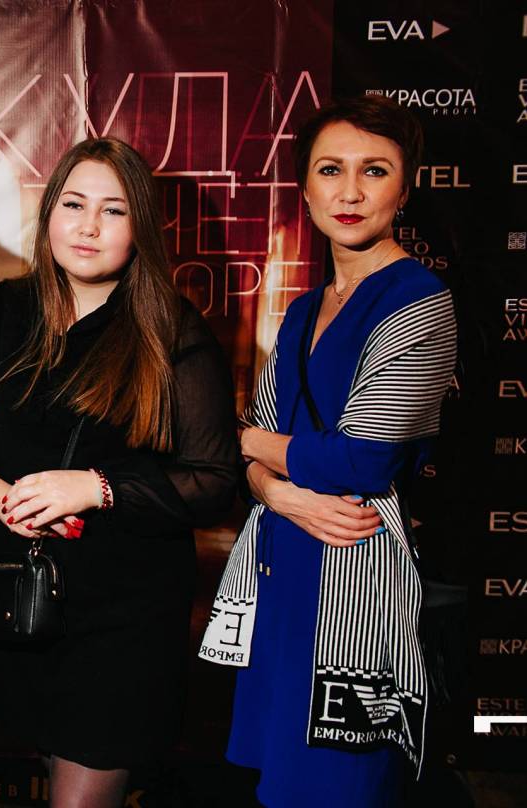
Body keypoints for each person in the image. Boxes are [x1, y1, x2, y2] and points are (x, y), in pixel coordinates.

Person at [200, 95, 458, 807]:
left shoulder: (419, 299)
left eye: (373, 171)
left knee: (341, 784)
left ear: (404, 189)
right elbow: (256, 456)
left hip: (356, 578)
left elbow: (360, 461)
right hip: (280, 569)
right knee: (280, 781)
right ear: (305, 188)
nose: (349, 192)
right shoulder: (303, 309)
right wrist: (275, 489)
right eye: (329, 169)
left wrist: (249, 444)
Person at [0, 137, 239, 807]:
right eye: (73, 204)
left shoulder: (170, 330)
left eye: (113, 210)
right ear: (48, 214)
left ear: (139, 227)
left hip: (125, 618)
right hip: (19, 599)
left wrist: (96, 488)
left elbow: (216, 480)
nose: (88, 226)